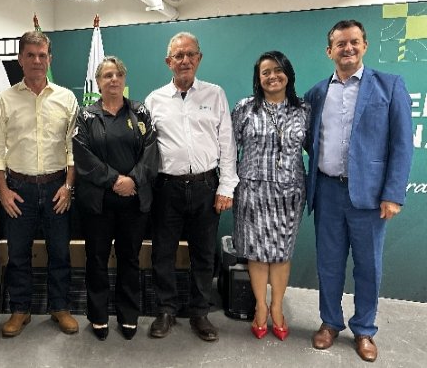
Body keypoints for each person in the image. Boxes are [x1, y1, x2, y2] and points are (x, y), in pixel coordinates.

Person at [305, 19, 413, 362]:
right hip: (327, 192)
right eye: (340, 44)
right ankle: (330, 323)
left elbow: (402, 144)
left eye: (353, 42)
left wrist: (393, 193)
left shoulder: (389, 86)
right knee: (329, 264)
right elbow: (309, 141)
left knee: (368, 267)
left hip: (369, 196)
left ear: (364, 45)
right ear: (330, 51)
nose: (347, 48)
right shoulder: (316, 93)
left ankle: (364, 329)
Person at [144, 31, 239, 341]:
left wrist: (226, 187)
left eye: (190, 54)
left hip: (206, 186)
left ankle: (200, 312)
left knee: (204, 253)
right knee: (163, 253)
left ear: (199, 58)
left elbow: (227, 143)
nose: (185, 60)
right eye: (178, 55)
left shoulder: (215, 94)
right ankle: (166, 310)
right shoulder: (154, 100)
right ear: (168, 61)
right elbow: (146, 147)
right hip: (166, 188)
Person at [0, 30, 79, 337]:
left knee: (60, 253)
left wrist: (68, 187)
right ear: (20, 59)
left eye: (42, 55)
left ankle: (60, 308)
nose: (37, 60)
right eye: (31, 55)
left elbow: (73, 149)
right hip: (18, 190)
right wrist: (3, 191)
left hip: (57, 188)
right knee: (18, 255)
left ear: (49, 59)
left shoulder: (66, 98)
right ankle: (20, 310)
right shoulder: (4, 100)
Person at [73, 56, 159, 341]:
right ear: (98, 82)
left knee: (129, 259)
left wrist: (132, 180)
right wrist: (114, 180)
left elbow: (151, 151)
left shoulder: (140, 112)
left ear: (124, 80)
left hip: (134, 201)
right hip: (98, 203)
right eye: (107, 75)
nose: (113, 79)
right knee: (96, 259)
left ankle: (128, 314)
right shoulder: (86, 116)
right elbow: (83, 156)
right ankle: (98, 315)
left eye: (118, 75)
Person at [231, 51, 310, 341]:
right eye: (265, 72)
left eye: (278, 70)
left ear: (288, 73)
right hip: (252, 191)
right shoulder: (245, 109)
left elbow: (315, 147)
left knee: (281, 253)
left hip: (289, 193)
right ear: (258, 78)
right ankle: (260, 307)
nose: (272, 76)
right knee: (256, 253)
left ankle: (277, 307)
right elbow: (229, 150)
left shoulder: (303, 110)